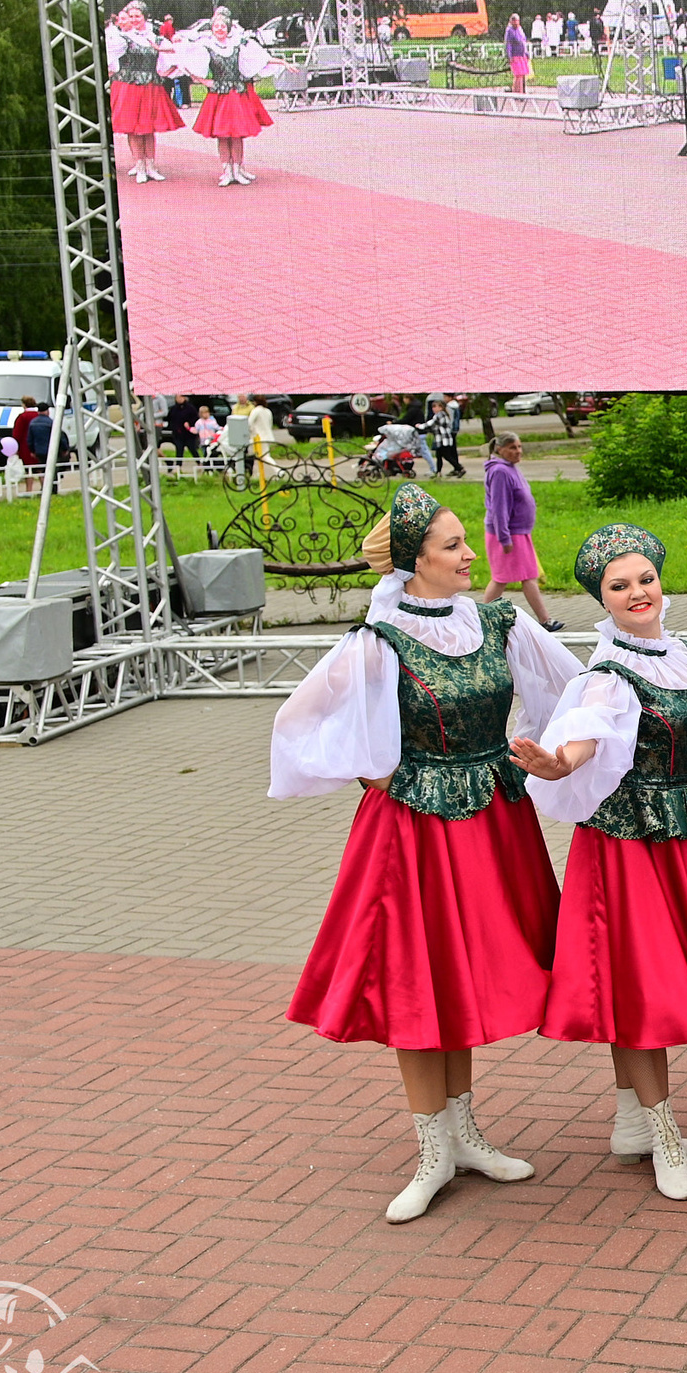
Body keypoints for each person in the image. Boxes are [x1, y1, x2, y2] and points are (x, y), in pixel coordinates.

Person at [269, 484, 585, 1223]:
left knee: (465, 976)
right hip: (413, 830)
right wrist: (376, 768)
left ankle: (465, 1133)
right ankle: (431, 1149)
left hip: (493, 821)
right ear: (416, 560)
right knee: (420, 979)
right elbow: (304, 719)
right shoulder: (378, 640)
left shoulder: (500, 620)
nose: (471, 553)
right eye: (453, 545)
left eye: (465, 541)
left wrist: (560, 753)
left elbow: (579, 690)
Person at [510, 526, 687, 1200]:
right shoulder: (605, 675)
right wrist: (556, 761)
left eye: (644, 579)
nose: (637, 593)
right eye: (619, 586)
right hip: (625, 848)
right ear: (603, 600)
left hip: (685, 836)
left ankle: (632, 1119)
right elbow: (584, 737)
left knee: (662, 974)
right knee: (639, 982)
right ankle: (657, 1130)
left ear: (661, 580)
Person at [179, 8, 276, 187]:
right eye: (216, 26)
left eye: (222, 26)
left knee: (237, 134)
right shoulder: (206, 46)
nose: (219, 29)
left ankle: (238, 169)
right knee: (223, 135)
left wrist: (282, 62)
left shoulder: (237, 45)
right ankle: (227, 170)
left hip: (236, 94)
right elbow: (186, 60)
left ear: (228, 28)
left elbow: (258, 58)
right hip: (219, 95)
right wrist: (202, 80)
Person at [479, 431, 558, 628]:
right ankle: (479, 619)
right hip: (506, 534)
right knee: (502, 579)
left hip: (519, 532)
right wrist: (504, 538)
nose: (518, 451)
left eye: (520, 447)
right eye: (513, 447)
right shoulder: (500, 472)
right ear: (500, 449)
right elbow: (499, 507)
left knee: (525, 576)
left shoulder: (510, 468)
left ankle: (545, 620)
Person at [105, 1, 180, 181]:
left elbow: (177, 54)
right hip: (129, 87)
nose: (134, 19)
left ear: (145, 17)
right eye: (131, 16)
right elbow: (109, 59)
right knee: (134, 128)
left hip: (150, 87)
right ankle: (139, 166)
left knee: (148, 128)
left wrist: (163, 73)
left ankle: (151, 166)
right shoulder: (122, 38)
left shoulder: (155, 38)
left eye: (137, 16)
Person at [426, 395, 463, 478]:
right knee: (440, 455)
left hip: (444, 438)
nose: (434, 409)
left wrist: (419, 426)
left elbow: (431, 423)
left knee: (447, 455)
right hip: (443, 437)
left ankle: (459, 468)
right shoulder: (454, 407)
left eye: (436, 407)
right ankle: (438, 472)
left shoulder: (443, 413)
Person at [504, 15, 530, 94]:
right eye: (514, 21)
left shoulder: (520, 29)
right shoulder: (509, 31)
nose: (516, 23)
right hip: (515, 55)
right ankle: (517, 93)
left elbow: (523, 41)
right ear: (511, 21)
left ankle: (521, 92)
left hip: (522, 55)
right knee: (518, 75)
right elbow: (508, 44)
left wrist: (526, 53)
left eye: (517, 21)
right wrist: (509, 56)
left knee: (522, 74)